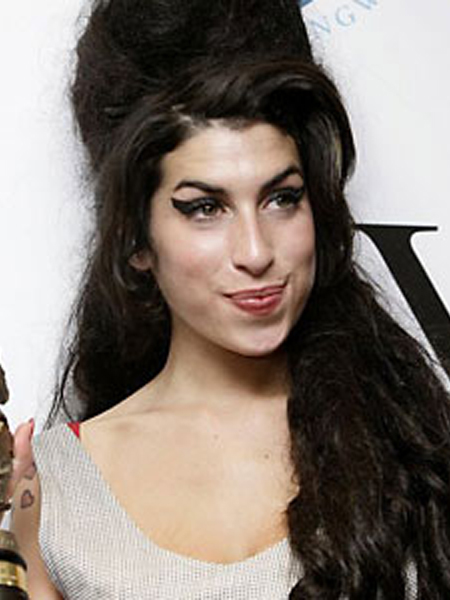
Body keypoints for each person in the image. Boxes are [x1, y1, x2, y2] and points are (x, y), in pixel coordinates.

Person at [8, 0, 450, 598]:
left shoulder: (414, 447)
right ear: (136, 240)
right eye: (205, 208)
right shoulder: (54, 490)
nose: (256, 251)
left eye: (281, 198)